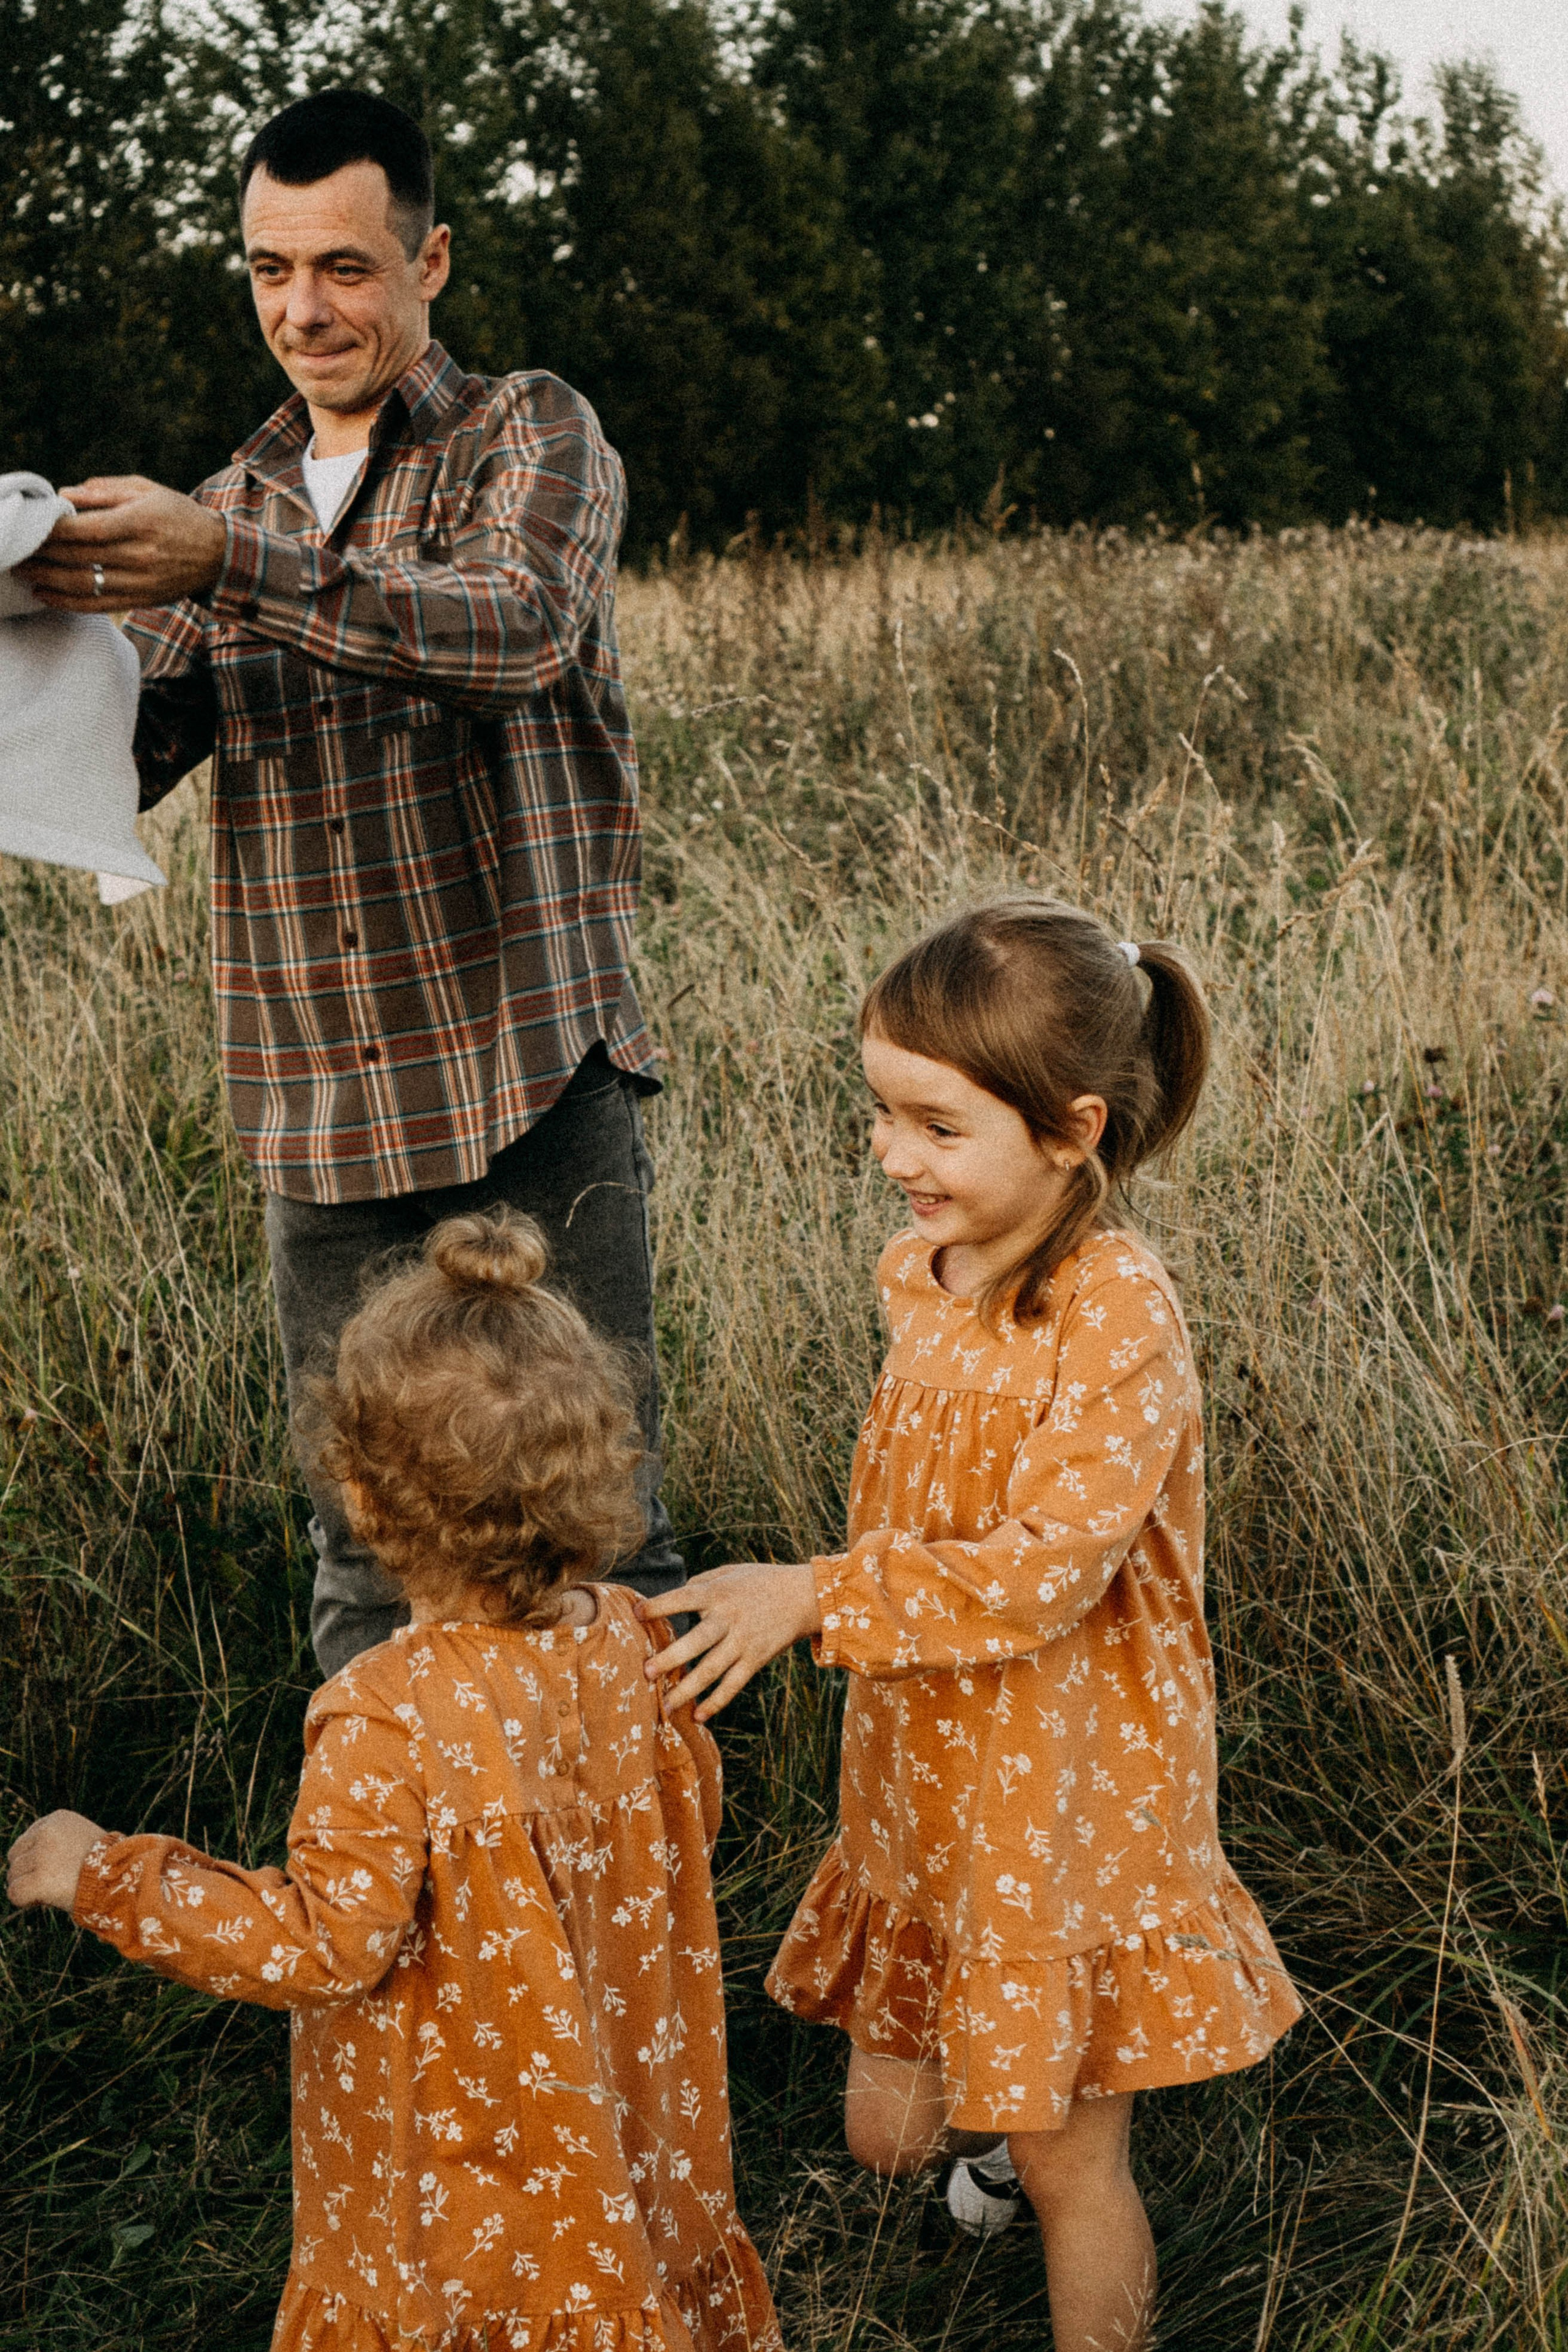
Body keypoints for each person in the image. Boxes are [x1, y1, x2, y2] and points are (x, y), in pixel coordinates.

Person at [17, 87, 684, 1677]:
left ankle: (646, 1895)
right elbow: (123, 750)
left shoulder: (529, 433)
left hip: (524, 1063)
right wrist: (43, 617)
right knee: (366, 1545)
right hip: (315, 1101)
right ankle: (384, 1905)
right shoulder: (227, 498)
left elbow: (510, 631)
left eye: (345, 268)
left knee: (599, 1525)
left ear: (429, 258)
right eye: (268, 270)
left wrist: (225, 566)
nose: (303, 310)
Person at [639, 898, 1302, 2352]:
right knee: (890, 2133)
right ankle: (991, 2141)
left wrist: (813, 1591)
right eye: (881, 1112)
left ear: (1068, 1131)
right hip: (928, 1758)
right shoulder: (918, 1277)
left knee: (1073, 2159)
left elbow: (1037, 1575)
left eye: (936, 1128)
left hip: (1066, 1787)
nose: (892, 1157)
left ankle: (1076, 2237)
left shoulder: (1113, 1315)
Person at [6, 1210, 780, 2352]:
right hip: (627, 2133)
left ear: (363, 1503)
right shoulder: (635, 1641)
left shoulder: (383, 1713)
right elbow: (690, 1823)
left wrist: (108, 1877)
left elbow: (328, 1944)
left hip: (456, 2188)